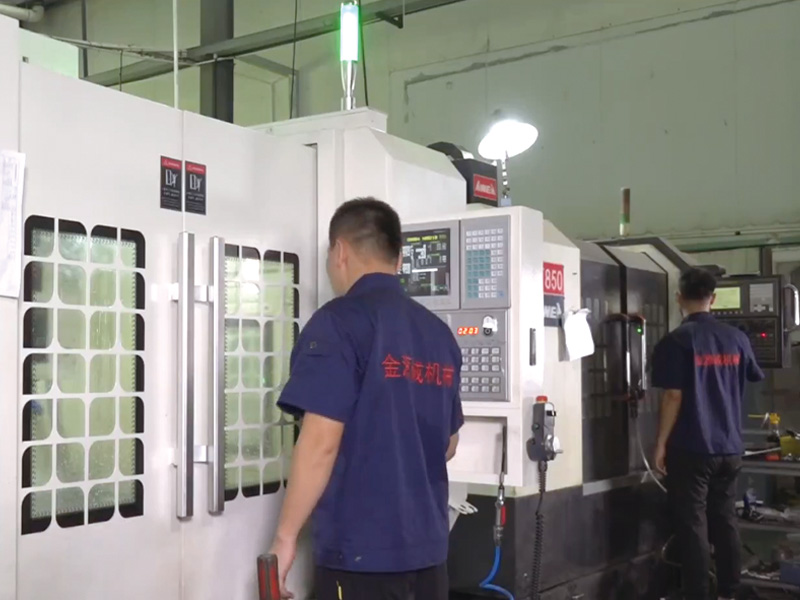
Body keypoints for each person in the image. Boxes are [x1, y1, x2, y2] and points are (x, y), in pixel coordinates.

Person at [269, 197, 464, 600]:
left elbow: (320, 444)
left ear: (339, 251)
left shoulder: (338, 323)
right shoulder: (439, 333)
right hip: (430, 556)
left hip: (361, 558)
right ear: (399, 259)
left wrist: (285, 538)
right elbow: (448, 444)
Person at [651, 268, 765, 600]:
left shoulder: (676, 341)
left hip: (692, 448)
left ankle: (698, 594)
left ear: (679, 299)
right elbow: (753, 375)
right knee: (725, 520)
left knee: (693, 525)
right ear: (712, 298)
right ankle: (729, 592)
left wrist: (660, 444)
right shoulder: (737, 338)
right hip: (730, 449)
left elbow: (673, 396)